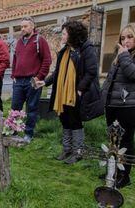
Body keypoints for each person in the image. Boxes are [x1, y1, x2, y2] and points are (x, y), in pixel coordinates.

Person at [41, 20, 98, 164]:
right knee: (65, 120)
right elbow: (58, 72)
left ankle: (78, 152)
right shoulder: (65, 51)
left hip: (76, 93)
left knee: (75, 121)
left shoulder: (86, 49)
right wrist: (45, 82)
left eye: (65, 33)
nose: (63, 35)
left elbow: (91, 72)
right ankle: (67, 149)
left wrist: (80, 89)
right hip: (62, 93)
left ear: (73, 34)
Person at [101, 22, 135, 188]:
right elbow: (110, 80)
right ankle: (112, 171)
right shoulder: (122, 55)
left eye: (130, 37)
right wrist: (103, 99)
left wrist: (123, 56)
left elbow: (134, 74)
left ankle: (124, 175)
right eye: (123, 38)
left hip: (130, 105)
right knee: (113, 141)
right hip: (113, 103)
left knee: (126, 140)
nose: (125, 41)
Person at [11, 16, 52, 142]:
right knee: (15, 107)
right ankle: (14, 131)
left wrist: (39, 77)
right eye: (21, 27)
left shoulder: (40, 40)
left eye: (25, 26)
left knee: (32, 108)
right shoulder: (19, 42)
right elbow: (15, 59)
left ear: (32, 26)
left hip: (32, 80)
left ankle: (28, 133)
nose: (22, 29)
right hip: (18, 81)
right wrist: (13, 75)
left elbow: (47, 60)